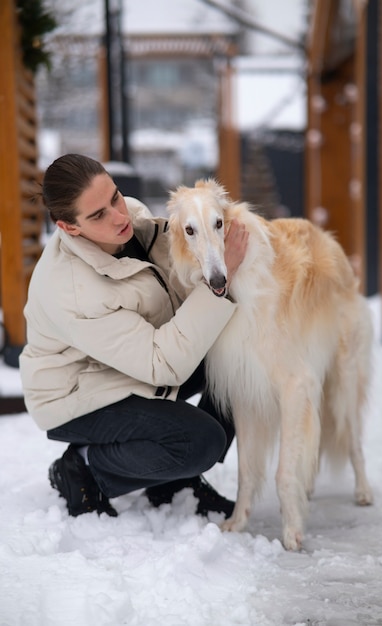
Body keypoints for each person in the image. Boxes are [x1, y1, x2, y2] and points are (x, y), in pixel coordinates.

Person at [19, 153, 249, 520]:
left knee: (239, 364)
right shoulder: (74, 291)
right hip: (78, 395)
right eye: (98, 215)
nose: (119, 215)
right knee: (198, 442)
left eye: (114, 196)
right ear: (70, 227)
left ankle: (171, 480)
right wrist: (222, 283)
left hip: (127, 364)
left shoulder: (134, 220)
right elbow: (163, 366)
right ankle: (85, 467)